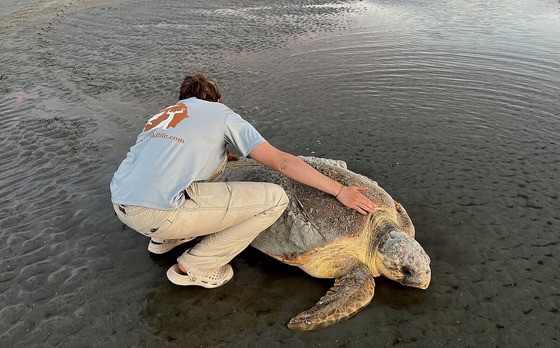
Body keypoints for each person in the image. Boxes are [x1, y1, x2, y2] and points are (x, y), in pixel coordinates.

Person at [110, 72, 376, 289]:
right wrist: (340, 190)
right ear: (217, 100)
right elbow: (281, 161)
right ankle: (197, 265)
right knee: (275, 199)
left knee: (187, 177)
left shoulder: (162, 116)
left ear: (183, 99)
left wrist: (222, 154)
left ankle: (165, 240)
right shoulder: (221, 114)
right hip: (158, 214)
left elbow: (171, 157)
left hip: (121, 203)